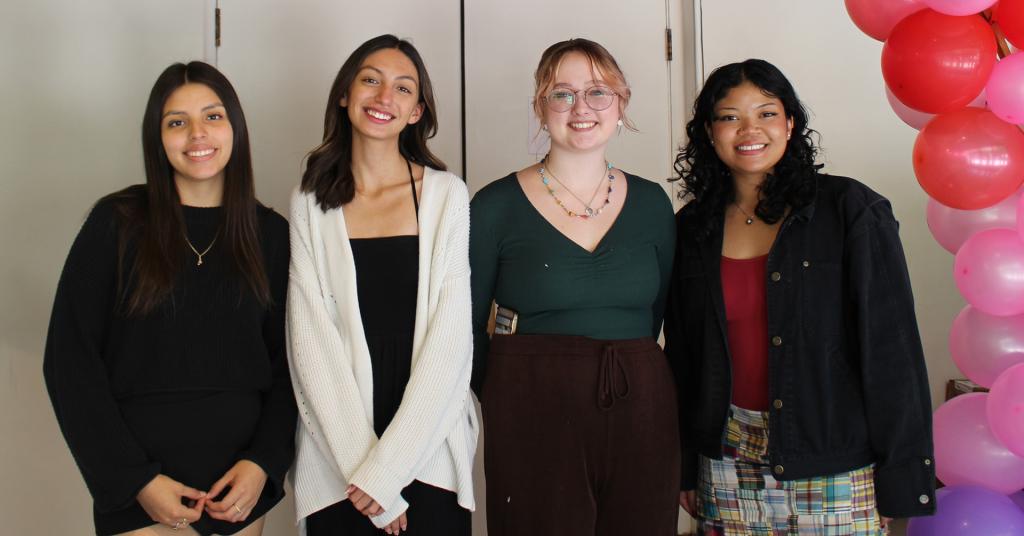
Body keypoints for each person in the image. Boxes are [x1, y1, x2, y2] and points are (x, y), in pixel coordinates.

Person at [665, 58, 936, 535]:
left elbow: (892, 351)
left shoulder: (851, 210)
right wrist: (686, 465)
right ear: (709, 131)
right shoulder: (691, 229)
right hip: (726, 463)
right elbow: (684, 358)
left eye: (766, 113)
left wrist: (902, 475)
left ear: (790, 122)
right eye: (730, 117)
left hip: (835, 462)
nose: (749, 129)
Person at [43, 61, 295, 536]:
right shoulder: (116, 224)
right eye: (176, 122)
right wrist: (135, 480)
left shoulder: (271, 235)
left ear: (235, 128)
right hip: (140, 488)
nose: (197, 134)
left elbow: (291, 367)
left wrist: (262, 463)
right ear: (157, 138)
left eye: (213, 116)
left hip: (235, 492)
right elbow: (68, 362)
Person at [470, 38, 678, 535]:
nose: (581, 107)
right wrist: (513, 392)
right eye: (562, 93)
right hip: (531, 407)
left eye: (598, 92)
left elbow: (660, 317)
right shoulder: (493, 206)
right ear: (541, 108)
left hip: (641, 408)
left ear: (621, 104)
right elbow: (464, 329)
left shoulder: (653, 204)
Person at [286, 34, 476, 536]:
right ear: (345, 94)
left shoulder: (446, 195)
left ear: (417, 112)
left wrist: (387, 472)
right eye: (370, 79)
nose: (383, 97)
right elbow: (310, 345)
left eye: (403, 88)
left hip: (430, 447)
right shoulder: (310, 201)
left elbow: (451, 341)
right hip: (337, 457)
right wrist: (365, 475)